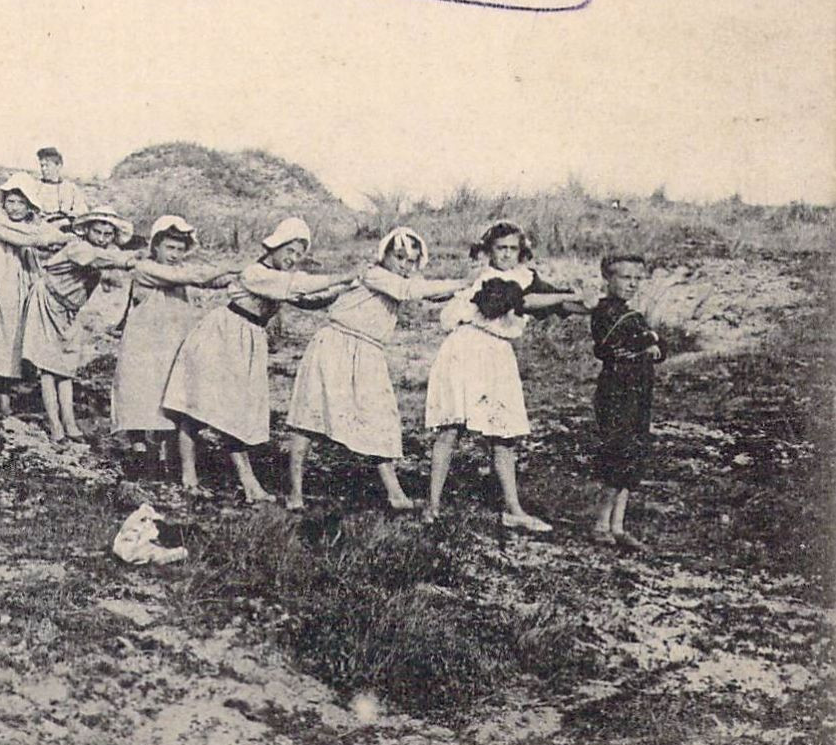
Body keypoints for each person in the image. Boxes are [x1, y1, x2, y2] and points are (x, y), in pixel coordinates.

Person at [161, 217, 354, 503]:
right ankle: (190, 474)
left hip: (247, 341)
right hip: (221, 336)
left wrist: (345, 288)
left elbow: (309, 300)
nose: (293, 259)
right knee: (196, 406)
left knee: (235, 413)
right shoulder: (256, 273)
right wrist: (344, 276)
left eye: (298, 255)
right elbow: (298, 285)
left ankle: (249, 485)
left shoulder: (280, 280)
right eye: (289, 251)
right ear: (274, 247)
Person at [284, 227, 468, 512]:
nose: (404, 265)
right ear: (384, 255)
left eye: (411, 261)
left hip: (369, 353)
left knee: (380, 417)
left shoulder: (399, 279)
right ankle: (295, 492)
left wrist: (465, 288)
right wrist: (464, 281)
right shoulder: (374, 274)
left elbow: (426, 293)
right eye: (399, 257)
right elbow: (410, 291)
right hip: (336, 345)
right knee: (310, 416)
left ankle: (394, 493)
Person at [422, 221, 587, 531]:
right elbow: (517, 302)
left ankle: (513, 509)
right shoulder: (487, 279)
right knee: (451, 429)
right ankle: (432, 506)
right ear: (489, 251)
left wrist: (588, 304)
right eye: (501, 248)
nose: (508, 254)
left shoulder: (526, 277)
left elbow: (558, 302)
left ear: (521, 251)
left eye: (513, 248)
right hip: (467, 348)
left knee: (504, 432)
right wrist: (566, 294)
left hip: (498, 355)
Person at [110, 216, 235, 470]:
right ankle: (139, 451)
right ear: (156, 247)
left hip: (172, 342)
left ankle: (166, 455)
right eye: (170, 248)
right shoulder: (146, 269)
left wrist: (241, 278)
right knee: (140, 394)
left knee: (168, 395)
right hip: (144, 344)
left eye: (180, 249)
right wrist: (232, 265)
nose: (175, 254)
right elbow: (196, 277)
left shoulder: (181, 273)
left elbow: (211, 281)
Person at [21, 208, 142, 443]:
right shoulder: (79, 247)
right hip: (48, 299)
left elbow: (115, 277)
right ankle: (55, 423)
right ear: (87, 230)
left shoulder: (108, 251)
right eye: (97, 232)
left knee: (66, 365)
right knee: (48, 366)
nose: (102, 238)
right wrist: (130, 259)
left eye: (108, 234)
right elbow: (95, 258)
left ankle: (70, 421)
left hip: (70, 308)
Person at [0, 173, 68, 416]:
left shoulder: (30, 225)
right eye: (11, 201)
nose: (14, 207)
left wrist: (65, 236)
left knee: (8, 344)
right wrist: (59, 238)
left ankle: (4, 397)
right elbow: (31, 237)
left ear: (30, 206)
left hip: (12, 291)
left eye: (21, 203)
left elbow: (42, 233)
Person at [588, 254, 665, 552]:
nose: (632, 284)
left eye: (636, 279)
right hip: (616, 389)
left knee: (634, 451)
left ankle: (617, 525)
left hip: (638, 389)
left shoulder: (630, 314)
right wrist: (648, 339)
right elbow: (616, 343)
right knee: (618, 452)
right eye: (625, 278)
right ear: (608, 279)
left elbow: (658, 347)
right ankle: (601, 523)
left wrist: (650, 340)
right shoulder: (605, 311)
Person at [30, 146, 88, 230]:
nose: (43, 169)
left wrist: (63, 222)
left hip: (63, 228)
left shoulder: (70, 188)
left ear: (59, 166)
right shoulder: (34, 186)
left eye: (47, 165)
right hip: (37, 227)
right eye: (42, 166)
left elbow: (81, 212)